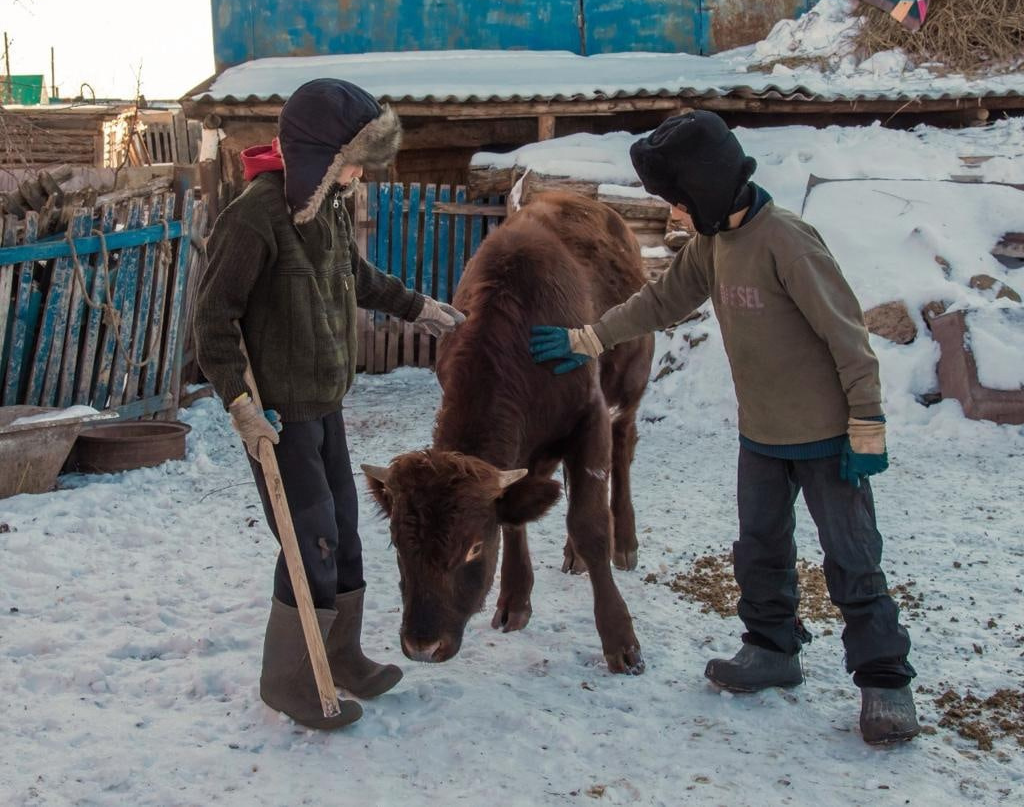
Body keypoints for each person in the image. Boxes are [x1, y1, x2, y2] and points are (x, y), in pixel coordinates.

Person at [529, 111, 920, 745]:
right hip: (761, 436)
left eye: (680, 200)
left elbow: (849, 338)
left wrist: (866, 424)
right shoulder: (715, 247)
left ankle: (884, 680)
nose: (676, 212)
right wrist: (588, 337)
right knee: (759, 550)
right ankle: (772, 648)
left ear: (706, 186)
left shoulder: (788, 242)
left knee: (852, 559)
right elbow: (660, 302)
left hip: (826, 439)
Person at [195, 78, 464, 730]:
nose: (356, 174)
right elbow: (212, 318)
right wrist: (239, 404)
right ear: (316, 154)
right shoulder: (255, 218)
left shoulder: (330, 212)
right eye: (351, 160)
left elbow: (358, 277)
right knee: (310, 540)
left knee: (343, 534)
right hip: (278, 420)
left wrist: (415, 306)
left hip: (326, 407)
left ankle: (341, 656)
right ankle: (292, 679)